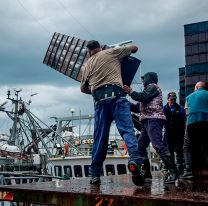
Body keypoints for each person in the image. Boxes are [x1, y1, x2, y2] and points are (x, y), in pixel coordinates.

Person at [80, 40, 143, 185]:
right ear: (100, 47)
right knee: (127, 131)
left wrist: (96, 91)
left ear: (89, 51)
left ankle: (95, 175)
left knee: (100, 138)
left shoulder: (86, 65)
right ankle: (135, 161)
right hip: (117, 97)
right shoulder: (110, 52)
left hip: (100, 102)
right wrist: (117, 49)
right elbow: (135, 48)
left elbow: (83, 89)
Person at [123, 72, 178, 183]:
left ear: (150, 78)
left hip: (154, 120)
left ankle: (173, 172)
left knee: (158, 145)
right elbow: (136, 107)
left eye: (144, 79)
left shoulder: (153, 87)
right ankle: (147, 173)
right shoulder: (147, 91)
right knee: (141, 147)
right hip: (147, 121)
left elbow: (143, 97)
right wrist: (124, 102)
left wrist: (129, 91)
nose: (142, 81)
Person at [186, 81, 208, 179]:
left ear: (196, 87)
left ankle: (197, 172)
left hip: (192, 123)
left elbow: (187, 111)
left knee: (194, 148)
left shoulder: (189, 97)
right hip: (205, 121)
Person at [163, 92, 186, 175]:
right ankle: (171, 169)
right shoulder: (164, 108)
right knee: (169, 151)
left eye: (174, 99)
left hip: (178, 133)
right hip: (168, 133)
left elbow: (184, 119)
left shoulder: (180, 108)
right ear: (168, 99)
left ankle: (181, 169)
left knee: (179, 150)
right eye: (171, 99)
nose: (173, 100)